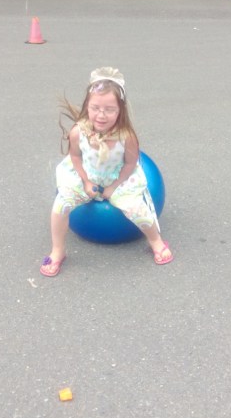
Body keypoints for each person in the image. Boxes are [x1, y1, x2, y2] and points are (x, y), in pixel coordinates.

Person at [40, 67, 173, 277]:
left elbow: (130, 164)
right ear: (87, 106)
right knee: (60, 207)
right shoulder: (78, 132)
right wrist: (84, 181)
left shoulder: (126, 137)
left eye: (109, 109)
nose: (101, 115)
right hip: (86, 176)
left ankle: (156, 241)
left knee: (138, 210)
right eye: (95, 108)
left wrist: (113, 187)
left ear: (120, 111)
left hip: (119, 179)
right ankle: (58, 250)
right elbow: (75, 157)